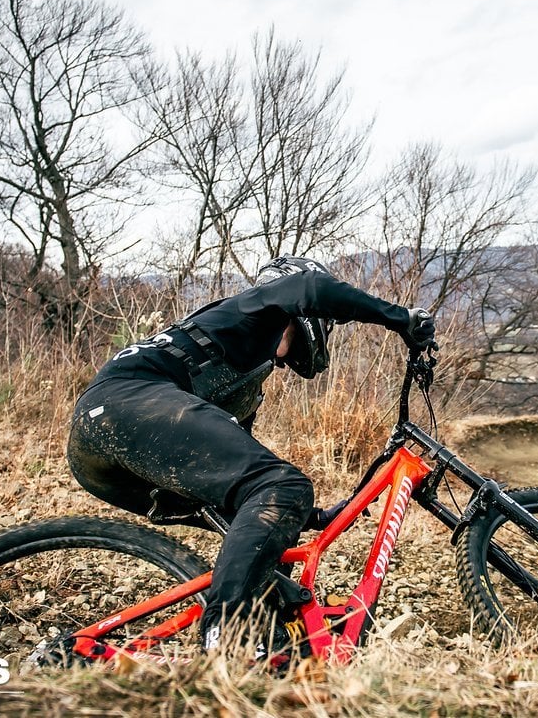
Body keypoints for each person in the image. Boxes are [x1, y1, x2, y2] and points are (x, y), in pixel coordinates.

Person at [65, 256, 436, 652]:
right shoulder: (250, 311)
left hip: (104, 455)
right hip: (125, 405)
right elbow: (312, 287)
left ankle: (271, 656)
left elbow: (242, 478)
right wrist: (400, 319)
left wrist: (308, 516)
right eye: (322, 320)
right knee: (286, 486)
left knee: (271, 544)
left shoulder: (247, 376)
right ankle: (226, 635)